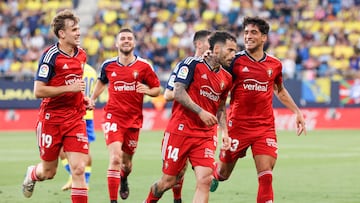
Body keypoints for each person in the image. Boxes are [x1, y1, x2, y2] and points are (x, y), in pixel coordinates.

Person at [210, 16, 307, 203]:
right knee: (224, 173)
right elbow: (220, 96)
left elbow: (280, 90)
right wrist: (223, 130)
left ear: (264, 37)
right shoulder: (234, 62)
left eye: (253, 32)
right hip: (238, 126)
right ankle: (216, 174)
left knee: (266, 175)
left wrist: (297, 112)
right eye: (246, 32)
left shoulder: (274, 64)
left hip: (264, 127)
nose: (248, 36)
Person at [143, 30, 237, 203]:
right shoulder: (192, 64)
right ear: (216, 49)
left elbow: (221, 108)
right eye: (230, 50)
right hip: (180, 131)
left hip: (206, 136)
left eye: (235, 50)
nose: (234, 54)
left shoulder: (227, 78)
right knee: (169, 181)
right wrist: (200, 112)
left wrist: (225, 132)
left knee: (205, 180)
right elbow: (177, 92)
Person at [21, 9, 90, 203]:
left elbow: (76, 86)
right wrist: (69, 88)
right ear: (62, 33)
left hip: (75, 118)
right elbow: (38, 91)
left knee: (78, 169)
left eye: (78, 29)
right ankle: (33, 173)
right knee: (48, 172)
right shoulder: (50, 56)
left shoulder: (82, 55)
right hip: (52, 119)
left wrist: (83, 98)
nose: (78, 33)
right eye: (74, 29)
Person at [90, 28, 161, 203]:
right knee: (115, 158)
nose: (126, 41)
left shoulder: (144, 66)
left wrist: (149, 91)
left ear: (134, 43)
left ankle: (124, 177)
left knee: (127, 164)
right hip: (113, 117)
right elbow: (101, 82)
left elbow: (157, 89)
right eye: (123, 38)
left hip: (134, 120)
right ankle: (113, 201)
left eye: (130, 38)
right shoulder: (108, 66)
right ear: (116, 43)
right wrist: (92, 98)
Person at [163, 29, 212, 203]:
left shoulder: (215, 67)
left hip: (206, 130)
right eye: (209, 42)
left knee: (205, 178)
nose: (212, 46)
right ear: (198, 44)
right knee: (176, 173)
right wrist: (189, 93)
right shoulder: (186, 65)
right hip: (184, 124)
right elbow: (168, 94)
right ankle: (178, 198)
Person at [60, 63, 97, 191]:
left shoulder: (72, 68)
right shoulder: (92, 71)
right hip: (84, 113)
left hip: (78, 113)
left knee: (82, 150)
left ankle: (83, 180)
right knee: (79, 149)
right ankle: (75, 176)